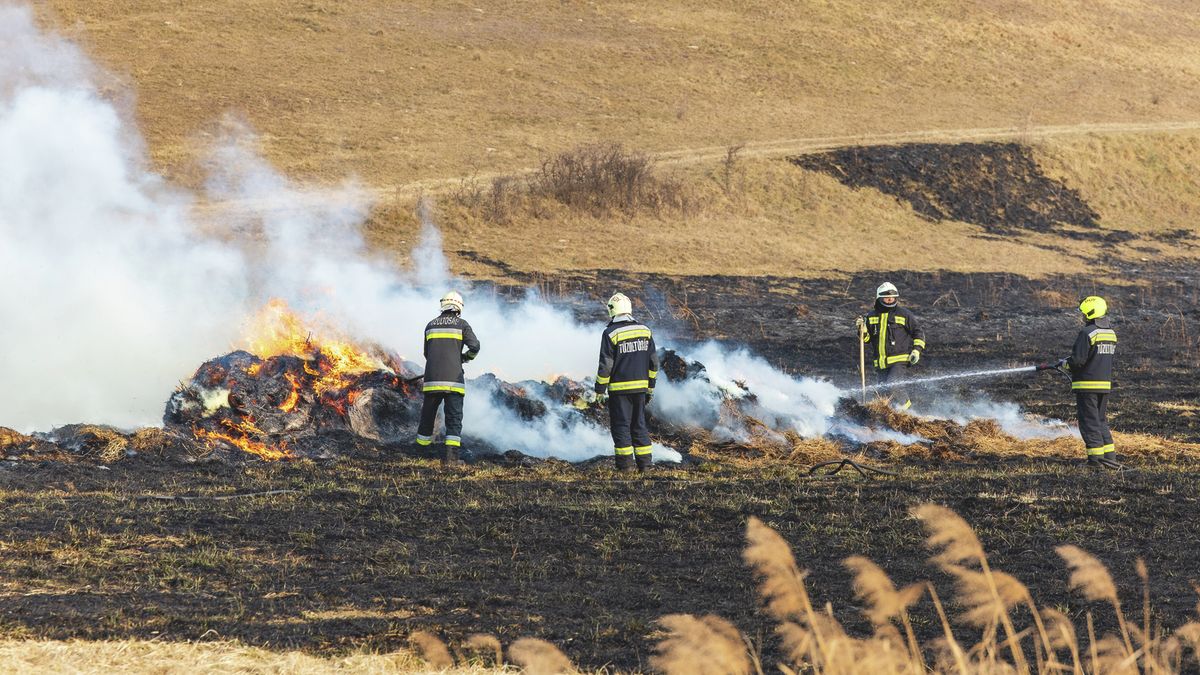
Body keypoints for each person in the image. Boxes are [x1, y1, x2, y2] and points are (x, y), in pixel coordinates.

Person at [594, 292, 659, 472]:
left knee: (621, 427)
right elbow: (654, 362)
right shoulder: (645, 330)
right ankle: (646, 466)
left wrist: (599, 390)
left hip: (619, 390)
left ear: (612, 310)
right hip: (640, 389)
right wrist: (650, 387)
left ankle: (626, 468)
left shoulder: (610, 333)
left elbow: (606, 365)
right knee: (639, 425)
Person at [416, 291, 480, 466]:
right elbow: (475, 346)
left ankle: (421, 454)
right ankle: (451, 459)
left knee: (427, 416)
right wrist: (465, 358)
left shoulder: (430, 325)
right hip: (453, 382)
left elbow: (426, 353)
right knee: (453, 418)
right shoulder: (462, 324)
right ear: (459, 307)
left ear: (443, 305)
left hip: (431, 380)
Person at [1062, 296, 1118, 468]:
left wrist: (1065, 363)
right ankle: (1109, 458)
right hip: (1104, 385)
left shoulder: (1087, 333)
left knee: (1089, 422)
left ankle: (1094, 461)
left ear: (1090, 313)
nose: (1083, 317)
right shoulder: (1110, 333)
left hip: (1087, 385)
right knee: (1100, 421)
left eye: (1084, 313)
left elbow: (1078, 361)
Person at [856, 282, 926, 409]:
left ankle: (907, 413)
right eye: (887, 298)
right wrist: (862, 330)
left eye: (893, 298)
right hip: (881, 363)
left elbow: (918, 332)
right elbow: (866, 340)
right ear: (879, 298)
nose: (890, 300)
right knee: (882, 393)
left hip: (899, 360)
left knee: (893, 384)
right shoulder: (871, 316)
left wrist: (916, 351)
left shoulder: (904, 314)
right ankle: (886, 419)